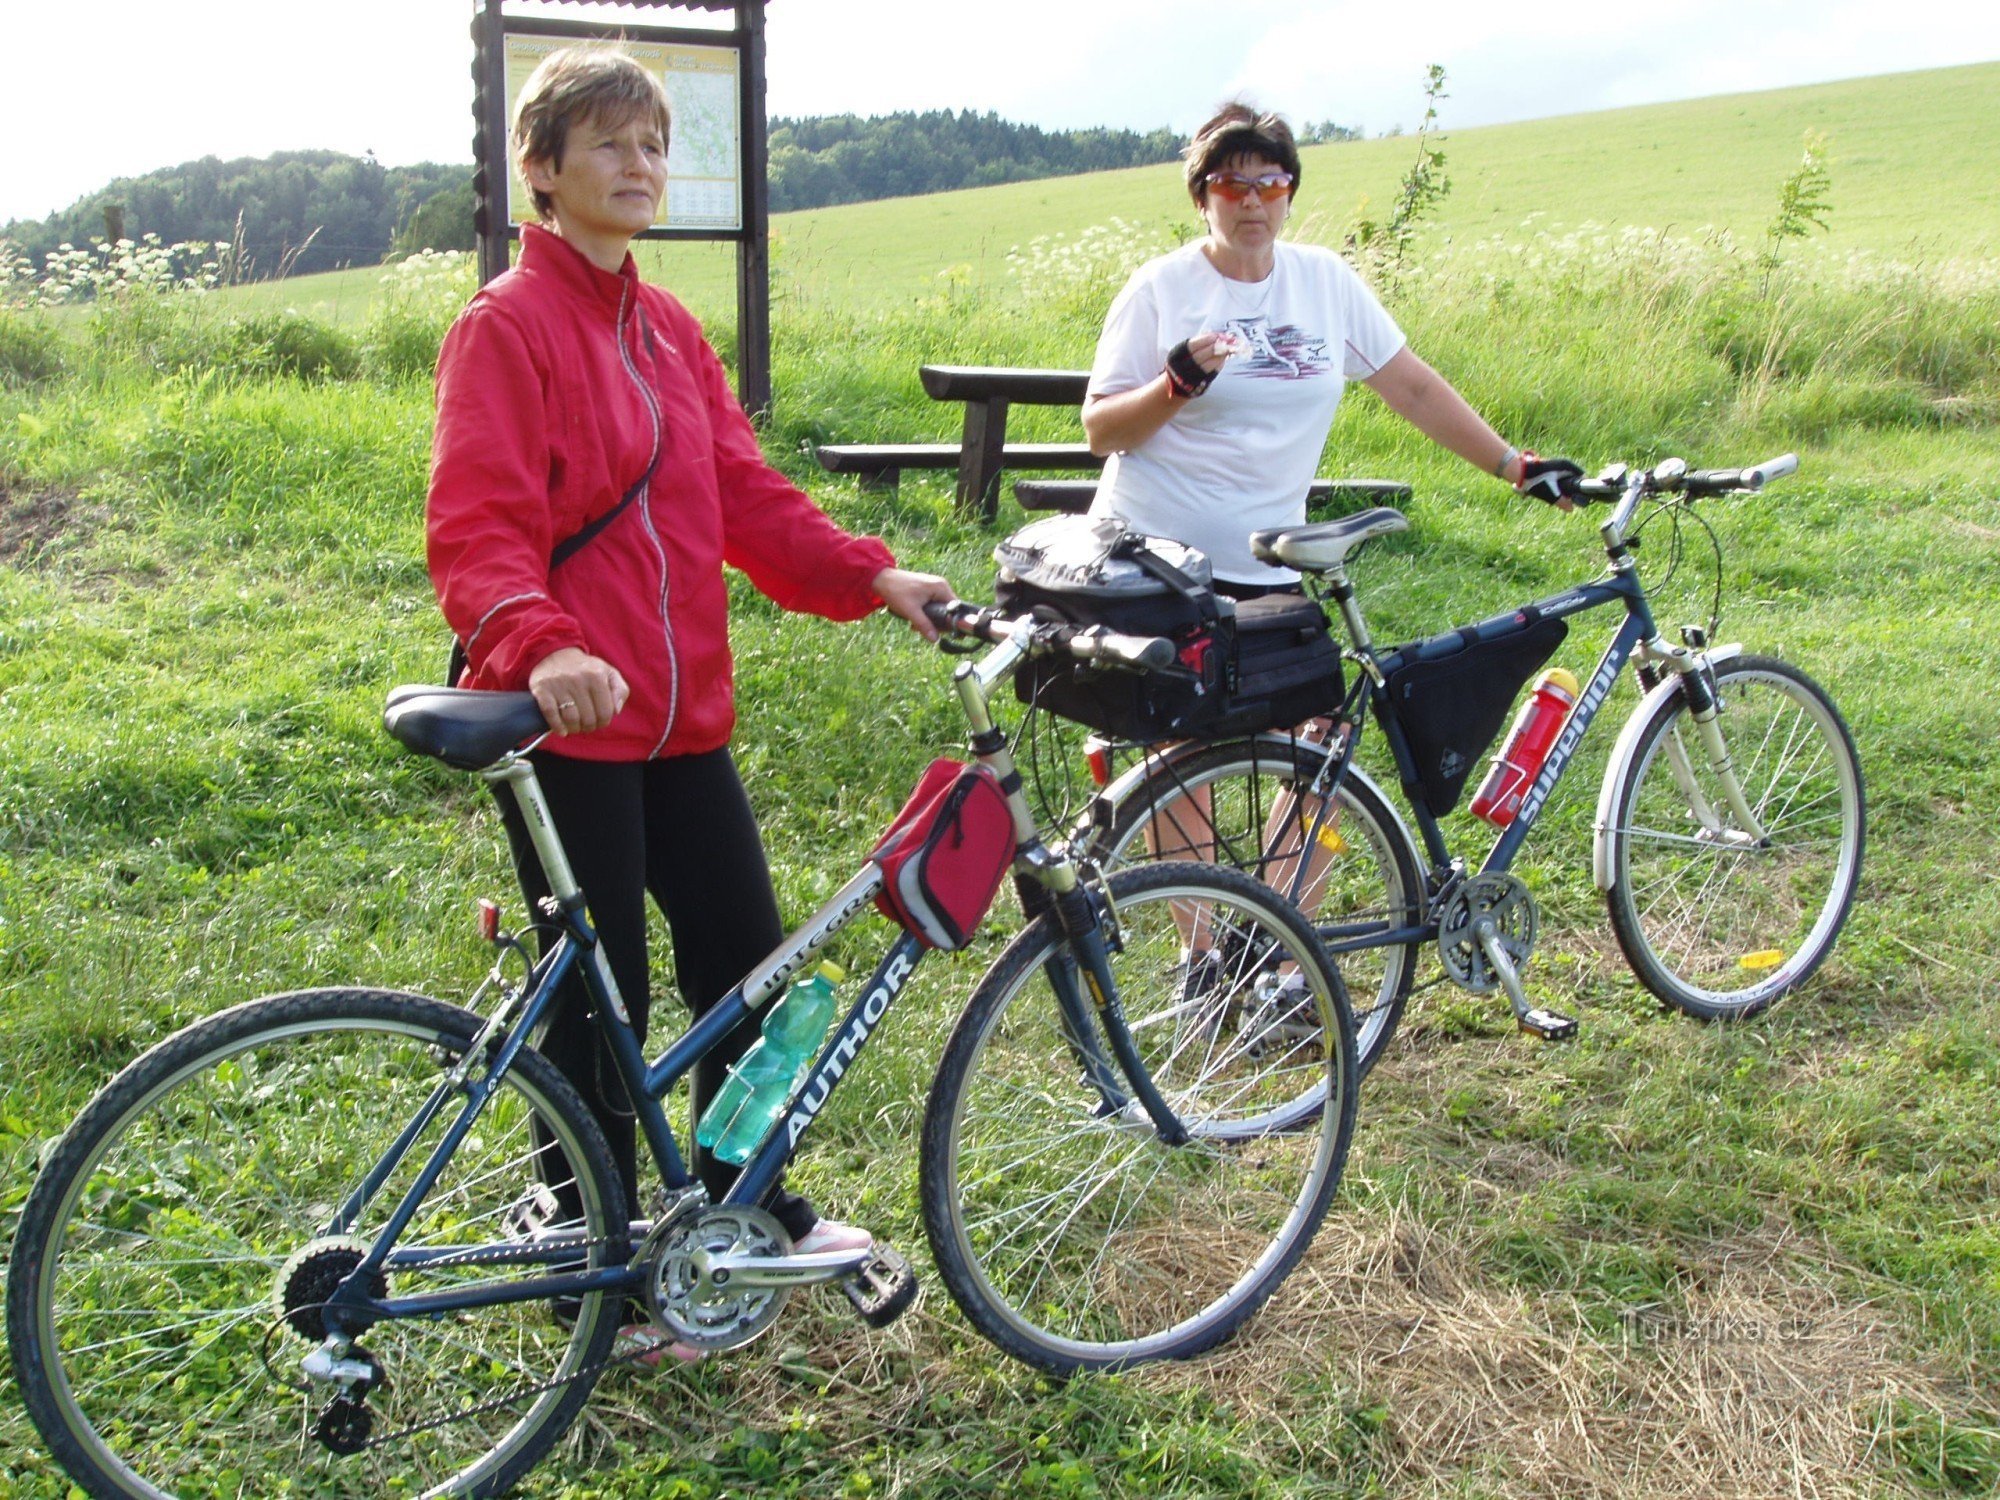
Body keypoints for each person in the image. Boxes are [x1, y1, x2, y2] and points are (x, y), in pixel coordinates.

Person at [425, 45, 952, 1362]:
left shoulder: (667, 332)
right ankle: (587, 1238)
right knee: (597, 998)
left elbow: (746, 498)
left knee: (752, 968)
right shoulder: (506, 327)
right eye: (609, 144)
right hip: (570, 720)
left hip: (680, 719)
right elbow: (476, 522)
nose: (641, 166)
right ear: (541, 171)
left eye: (655, 145)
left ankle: (742, 1206)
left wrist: (873, 573)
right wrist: (538, 643)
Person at [1082, 100, 1582, 597]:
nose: (1253, 201)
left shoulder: (1324, 279)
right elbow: (1102, 432)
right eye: (1232, 186)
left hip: (1272, 565)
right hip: (1151, 566)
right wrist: (1176, 386)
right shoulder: (1159, 288)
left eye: (1271, 184)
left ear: (1290, 194)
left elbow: (1414, 390)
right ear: (1201, 200)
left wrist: (1518, 468)